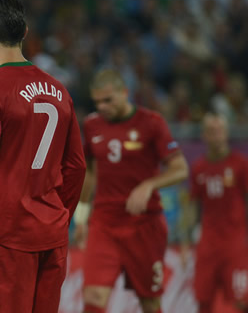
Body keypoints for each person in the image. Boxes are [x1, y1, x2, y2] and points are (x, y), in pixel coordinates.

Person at [0, 0, 86, 313]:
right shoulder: (59, 91)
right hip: (52, 236)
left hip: (9, 236)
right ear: (25, 32)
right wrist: (57, 218)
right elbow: (77, 167)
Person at [73, 69, 189, 313]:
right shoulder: (92, 125)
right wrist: (81, 216)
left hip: (143, 225)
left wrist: (148, 185)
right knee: (93, 295)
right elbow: (91, 172)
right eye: (97, 102)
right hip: (104, 223)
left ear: (124, 93)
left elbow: (180, 169)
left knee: (148, 301)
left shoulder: (152, 123)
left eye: (108, 100)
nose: (102, 106)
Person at [182, 113, 248, 313]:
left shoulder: (241, 164)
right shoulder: (199, 168)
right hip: (207, 246)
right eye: (212, 131)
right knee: (203, 302)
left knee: (241, 301)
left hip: (234, 245)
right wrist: (186, 241)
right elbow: (192, 207)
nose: (217, 135)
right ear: (204, 135)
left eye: (220, 130)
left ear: (227, 133)